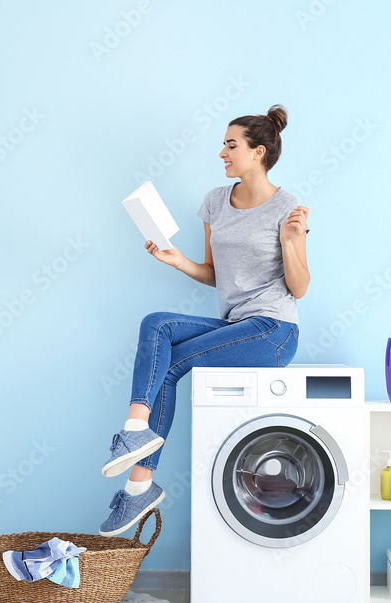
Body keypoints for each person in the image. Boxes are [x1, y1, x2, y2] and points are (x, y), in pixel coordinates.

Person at [99, 104, 310, 536]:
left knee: (173, 365)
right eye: (224, 145)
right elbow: (216, 275)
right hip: (236, 326)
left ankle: (139, 482)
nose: (222, 153)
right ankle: (136, 432)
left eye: (231, 145)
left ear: (258, 152)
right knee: (157, 323)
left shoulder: (288, 207)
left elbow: (300, 287)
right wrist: (177, 261)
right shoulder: (216, 202)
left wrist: (291, 241)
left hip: (273, 331)